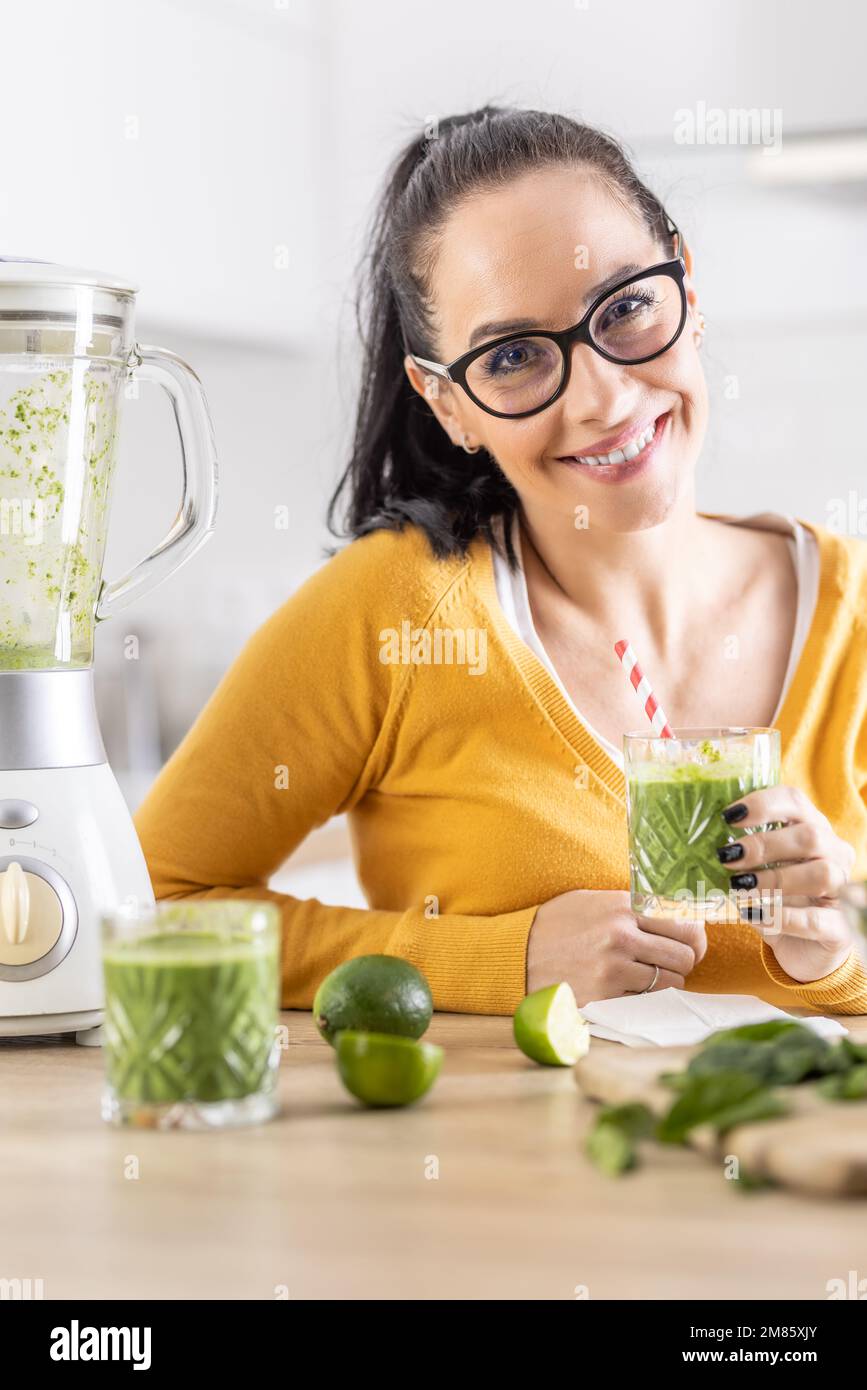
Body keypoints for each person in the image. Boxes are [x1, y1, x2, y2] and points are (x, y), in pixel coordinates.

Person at [134, 106, 867, 1014]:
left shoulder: (854, 615)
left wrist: (836, 951)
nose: (602, 397)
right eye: (514, 355)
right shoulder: (394, 612)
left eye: (628, 305)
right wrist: (493, 959)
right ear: (447, 405)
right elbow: (147, 906)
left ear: (686, 279)